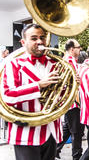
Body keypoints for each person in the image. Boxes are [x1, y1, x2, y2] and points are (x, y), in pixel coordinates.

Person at [1, 24, 62, 160]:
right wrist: (38, 85)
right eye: (34, 38)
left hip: (51, 131)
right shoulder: (13, 64)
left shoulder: (55, 64)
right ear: (23, 42)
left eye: (42, 37)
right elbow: (8, 96)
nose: (39, 41)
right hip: (25, 132)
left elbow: (61, 96)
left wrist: (70, 84)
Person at [56, 39, 84, 160]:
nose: (80, 49)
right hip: (73, 102)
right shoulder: (69, 62)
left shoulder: (68, 61)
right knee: (77, 132)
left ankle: (55, 150)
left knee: (68, 129)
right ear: (72, 49)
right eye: (78, 47)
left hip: (70, 103)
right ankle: (76, 156)